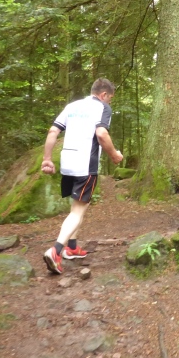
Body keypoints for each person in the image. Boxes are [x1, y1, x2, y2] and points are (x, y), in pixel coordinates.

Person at [41, 78, 123, 274]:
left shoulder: (72, 106)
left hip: (67, 162)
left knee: (77, 206)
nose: (109, 102)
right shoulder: (102, 108)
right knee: (77, 211)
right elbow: (101, 134)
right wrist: (114, 155)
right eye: (110, 98)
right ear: (104, 95)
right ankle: (56, 250)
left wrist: (47, 159)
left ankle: (72, 247)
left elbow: (53, 131)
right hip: (85, 165)